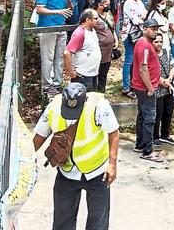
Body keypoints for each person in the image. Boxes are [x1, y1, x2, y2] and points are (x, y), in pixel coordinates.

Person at [33, 83, 119, 230]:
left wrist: (112, 165)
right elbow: (39, 136)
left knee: (98, 223)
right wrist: (25, 159)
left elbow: (114, 133)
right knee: (62, 222)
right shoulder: (53, 107)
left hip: (97, 172)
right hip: (67, 172)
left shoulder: (99, 106)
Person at [132, 18, 164, 162]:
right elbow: (143, 68)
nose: (155, 31)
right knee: (150, 118)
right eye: (152, 28)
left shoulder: (144, 44)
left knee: (142, 116)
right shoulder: (144, 45)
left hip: (143, 86)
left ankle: (140, 144)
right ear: (145, 29)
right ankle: (147, 151)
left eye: (156, 29)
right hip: (145, 88)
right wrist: (150, 88)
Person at [36, 0, 72, 95]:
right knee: (48, 57)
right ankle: (47, 84)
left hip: (61, 26)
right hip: (48, 27)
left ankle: (58, 82)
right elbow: (39, 9)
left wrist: (68, 1)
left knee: (60, 56)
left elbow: (70, 10)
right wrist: (57, 11)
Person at [63, 9, 101, 91]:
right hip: (82, 75)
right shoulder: (80, 33)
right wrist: (71, 72)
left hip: (93, 73)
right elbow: (67, 52)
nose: (98, 21)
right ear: (88, 20)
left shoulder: (92, 30)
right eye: (96, 18)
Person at [120, 0, 147, 99]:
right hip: (130, 35)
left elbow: (145, 15)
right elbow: (136, 20)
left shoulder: (139, 2)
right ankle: (125, 87)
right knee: (129, 60)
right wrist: (141, 17)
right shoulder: (128, 3)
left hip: (139, 34)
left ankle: (133, 82)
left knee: (137, 60)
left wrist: (142, 17)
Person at [152, 33, 174, 146]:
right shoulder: (151, 55)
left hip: (168, 87)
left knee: (168, 111)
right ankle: (155, 136)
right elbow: (151, 72)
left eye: (160, 41)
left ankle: (165, 135)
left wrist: (169, 79)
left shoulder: (166, 53)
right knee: (158, 113)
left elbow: (173, 66)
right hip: (157, 88)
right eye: (156, 42)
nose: (159, 44)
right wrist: (163, 82)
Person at [91, 0, 116, 93]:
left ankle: (101, 92)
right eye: (106, 4)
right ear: (99, 5)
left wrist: (115, 39)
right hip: (98, 48)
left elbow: (112, 27)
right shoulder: (93, 15)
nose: (108, 6)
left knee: (104, 73)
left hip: (108, 50)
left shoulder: (108, 13)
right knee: (96, 72)